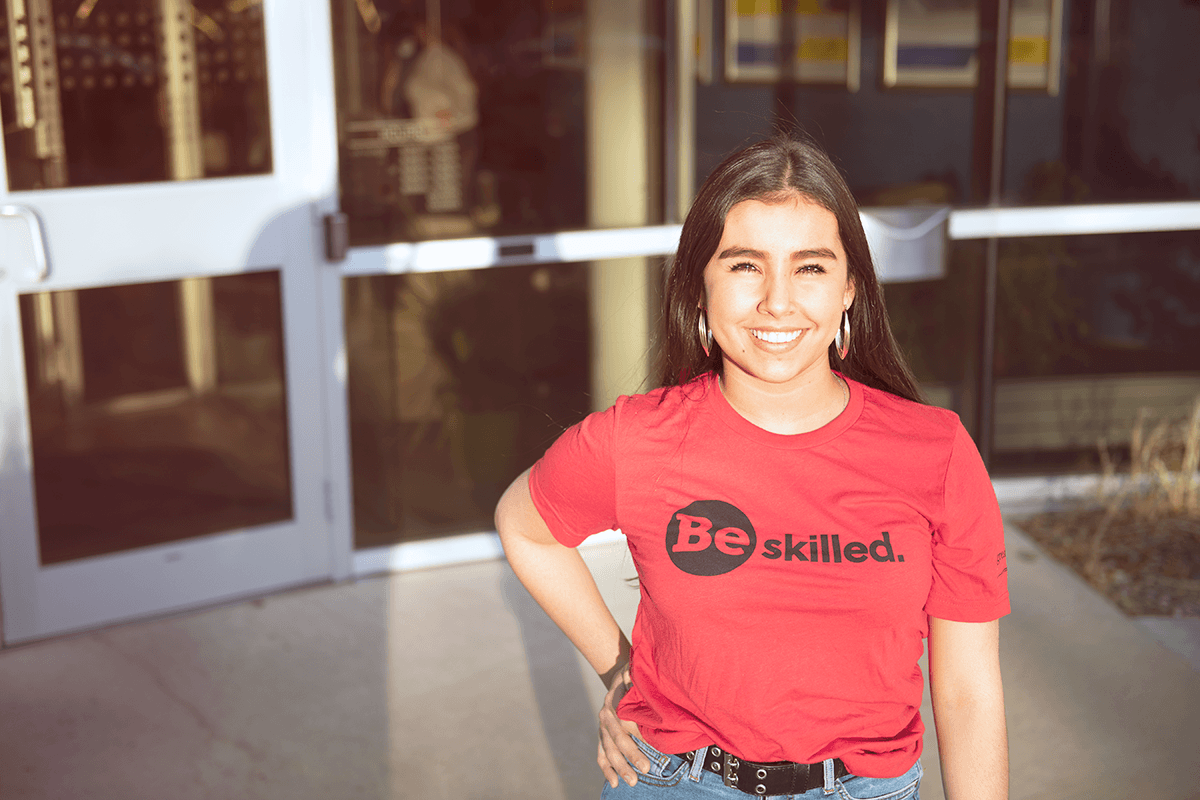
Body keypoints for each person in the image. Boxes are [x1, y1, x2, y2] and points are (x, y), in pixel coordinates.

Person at [495, 135, 1009, 800]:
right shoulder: (639, 438)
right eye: (744, 266)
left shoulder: (934, 452)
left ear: (851, 288)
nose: (777, 301)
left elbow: (967, 689)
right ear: (700, 288)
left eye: (811, 268)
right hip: (676, 783)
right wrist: (621, 670)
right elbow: (525, 525)